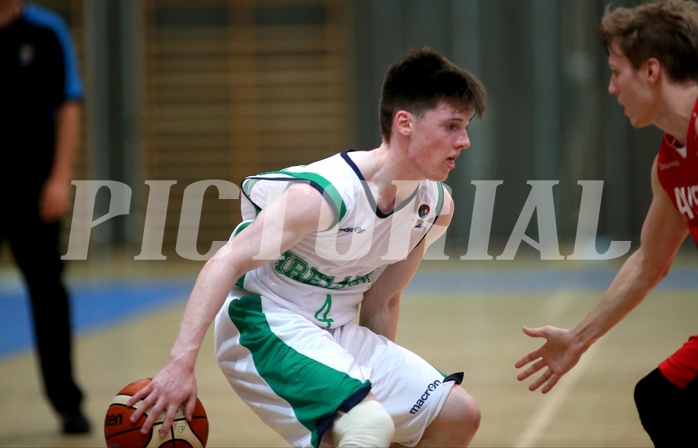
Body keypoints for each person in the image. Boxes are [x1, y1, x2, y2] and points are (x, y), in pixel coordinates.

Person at [128, 47, 487, 447]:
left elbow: (381, 302)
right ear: (405, 123)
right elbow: (225, 261)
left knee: (458, 414)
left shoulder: (433, 206)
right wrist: (180, 364)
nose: (465, 140)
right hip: (265, 324)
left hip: (336, 332)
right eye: (452, 126)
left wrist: (378, 388)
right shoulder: (326, 194)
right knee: (369, 426)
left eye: (466, 127)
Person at [515, 0, 698, 446]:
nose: (612, 88)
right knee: (660, 398)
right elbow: (649, 263)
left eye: (618, 72)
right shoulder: (671, 164)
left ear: (651, 71)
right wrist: (577, 339)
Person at [0, 0, 90, 435]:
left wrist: (60, 177)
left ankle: (67, 402)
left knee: (48, 292)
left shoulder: (46, 30)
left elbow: (68, 104)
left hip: (32, 187)